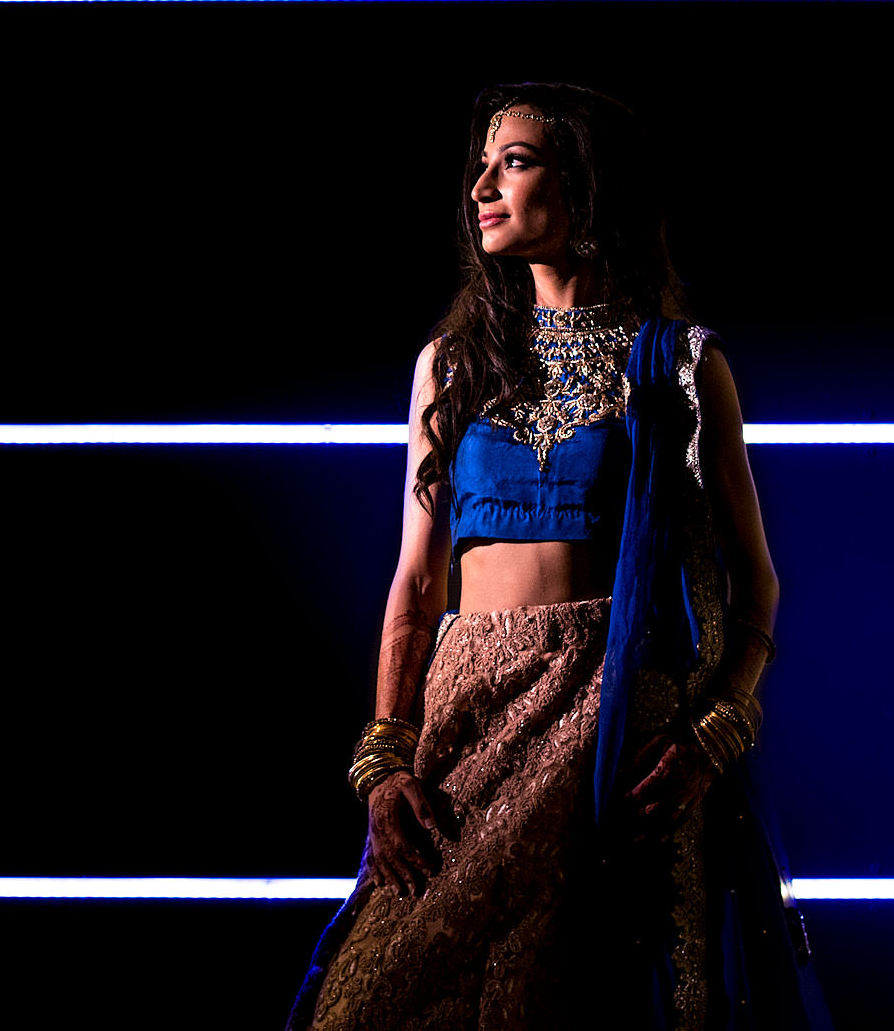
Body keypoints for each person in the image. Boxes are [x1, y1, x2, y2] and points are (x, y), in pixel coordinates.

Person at [287, 83, 831, 1029]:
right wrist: (385, 757)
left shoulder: (677, 364)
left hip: (607, 714)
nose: (481, 188)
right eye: (481, 167)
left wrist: (715, 732)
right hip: (467, 716)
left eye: (516, 162)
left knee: (575, 993)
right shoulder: (454, 361)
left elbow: (757, 584)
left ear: (584, 184)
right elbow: (417, 583)